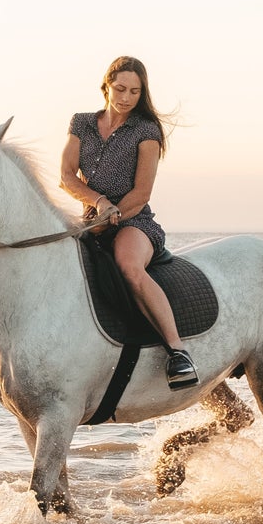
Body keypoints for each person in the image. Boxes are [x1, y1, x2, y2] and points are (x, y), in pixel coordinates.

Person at [59, 56, 198, 389]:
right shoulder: (81, 123)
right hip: (90, 220)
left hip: (134, 220)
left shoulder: (146, 130)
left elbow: (142, 192)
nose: (126, 97)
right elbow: (66, 177)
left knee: (128, 266)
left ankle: (178, 352)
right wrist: (99, 205)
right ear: (106, 85)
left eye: (135, 92)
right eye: (120, 89)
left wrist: (113, 215)